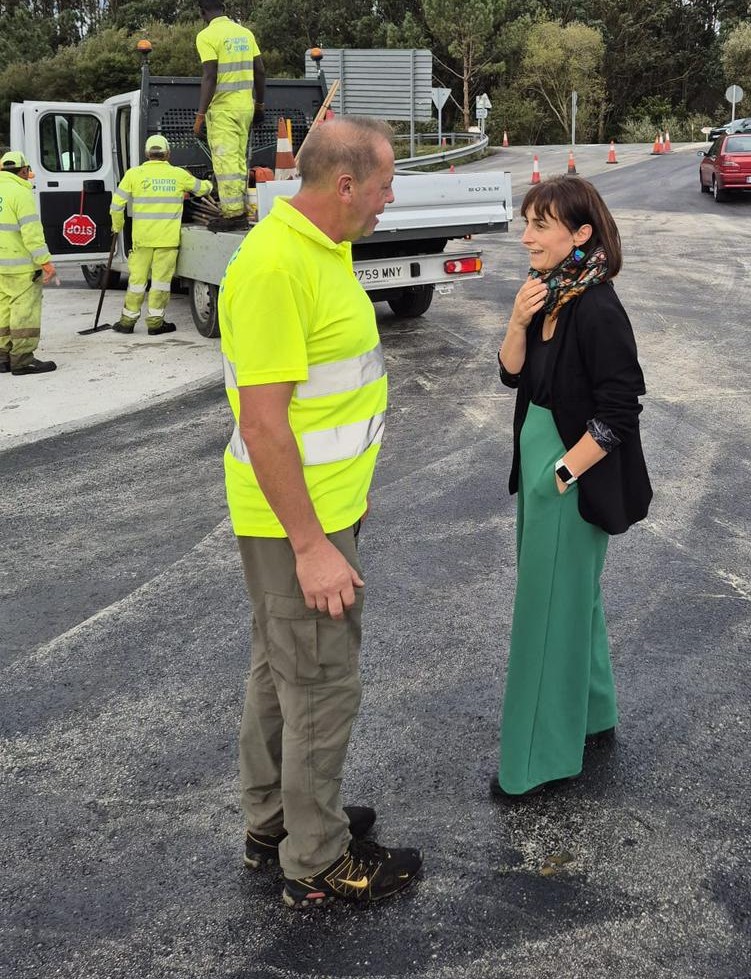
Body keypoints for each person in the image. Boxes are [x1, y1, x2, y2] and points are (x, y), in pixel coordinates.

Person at [218, 116, 421, 908]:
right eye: (383, 185)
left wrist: (346, 498)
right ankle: (318, 858)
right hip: (295, 525)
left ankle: (277, 820)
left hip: (321, 509)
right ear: (344, 184)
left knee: (281, 670)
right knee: (319, 681)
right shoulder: (276, 265)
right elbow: (265, 424)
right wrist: (310, 543)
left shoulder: (321, 248)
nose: (388, 198)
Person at [494, 175, 652, 798]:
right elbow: (512, 375)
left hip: (566, 474)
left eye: (541, 225)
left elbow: (621, 409)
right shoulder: (548, 292)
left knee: (545, 616)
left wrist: (561, 474)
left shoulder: (597, 307)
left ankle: (537, 761)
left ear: (581, 234)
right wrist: (516, 319)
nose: (526, 237)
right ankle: (593, 713)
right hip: (538, 459)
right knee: (571, 600)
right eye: (526, 223)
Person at [109, 134, 213, 336]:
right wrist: (211, 183)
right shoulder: (178, 174)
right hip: (167, 240)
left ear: (147, 153)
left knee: (137, 282)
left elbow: (116, 205)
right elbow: (202, 189)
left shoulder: (133, 174)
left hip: (142, 240)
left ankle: (127, 322)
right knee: (160, 283)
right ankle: (155, 323)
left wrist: (117, 226)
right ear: (168, 154)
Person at [194, 0, 265, 231]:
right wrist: (260, 105)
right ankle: (239, 209)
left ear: (203, 12)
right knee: (238, 162)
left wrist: (200, 115)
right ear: (224, 9)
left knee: (226, 163)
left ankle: (233, 214)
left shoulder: (206, 36)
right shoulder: (245, 33)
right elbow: (260, 71)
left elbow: (210, 75)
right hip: (245, 107)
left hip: (223, 109)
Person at [0, 150, 58, 376]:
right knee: (24, 311)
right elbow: (32, 234)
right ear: (23, 171)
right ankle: (23, 360)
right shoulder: (21, 193)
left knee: (3, 309)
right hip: (21, 267)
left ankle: (2, 357)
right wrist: (45, 262)